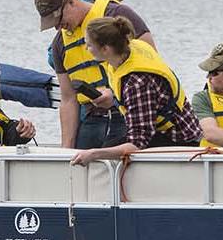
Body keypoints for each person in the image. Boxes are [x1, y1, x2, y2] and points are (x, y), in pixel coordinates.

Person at [34, 0, 156, 150]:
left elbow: (152, 63)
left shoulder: (117, 14)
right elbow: (68, 99)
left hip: (128, 114)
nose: (58, 27)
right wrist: (66, 150)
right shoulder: (59, 44)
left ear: (71, 1)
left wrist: (114, 95)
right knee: (80, 167)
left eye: (59, 18)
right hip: (92, 120)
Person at [69, 17, 201, 165]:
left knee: (101, 157)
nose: (87, 49)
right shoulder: (131, 48)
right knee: (108, 147)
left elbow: (138, 143)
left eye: (89, 45)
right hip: (164, 131)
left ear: (106, 49)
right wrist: (112, 98)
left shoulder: (137, 83)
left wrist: (94, 153)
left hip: (178, 141)